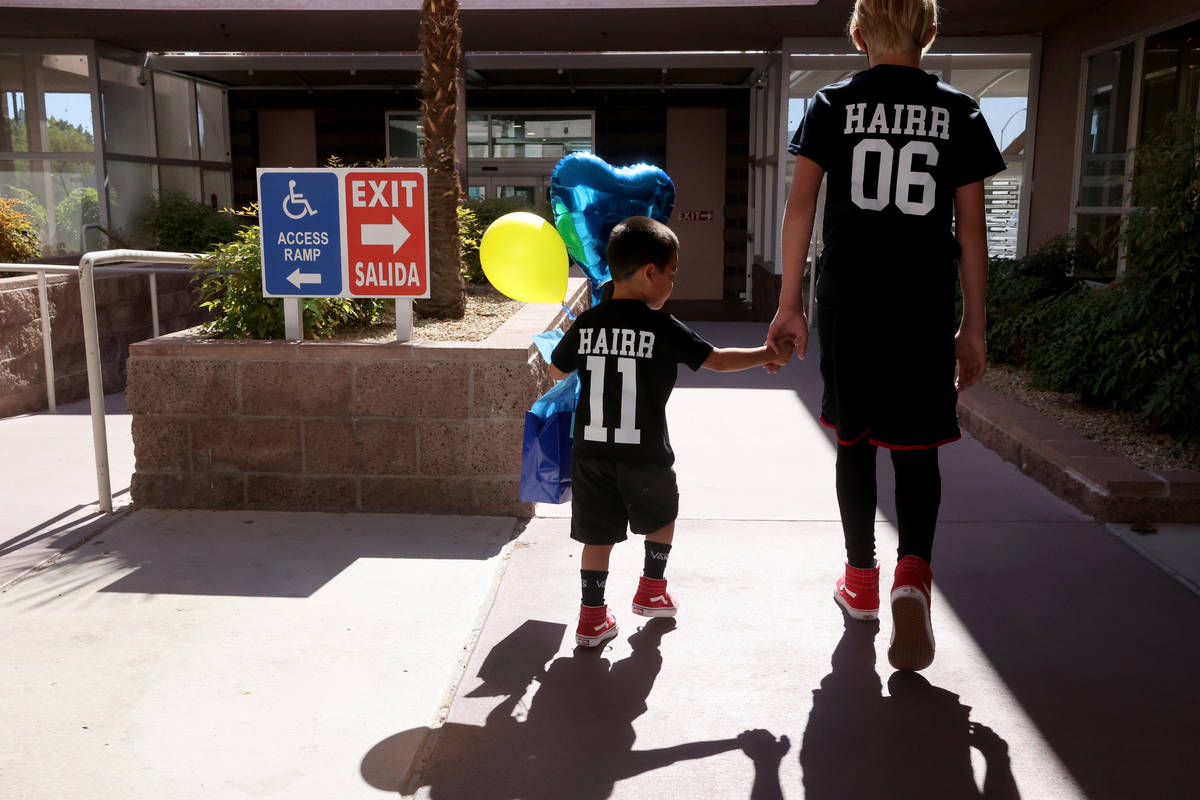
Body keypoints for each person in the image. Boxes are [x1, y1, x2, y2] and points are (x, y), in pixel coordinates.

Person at [767, 0, 1005, 671]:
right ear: (931, 32)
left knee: (854, 443)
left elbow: (800, 206)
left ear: (859, 32)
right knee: (917, 448)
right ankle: (912, 576)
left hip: (849, 303)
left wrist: (788, 303)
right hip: (922, 307)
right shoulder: (959, 112)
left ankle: (862, 583)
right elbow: (973, 232)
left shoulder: (831, 104)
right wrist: (973, 326)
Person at [550, 215, 793, 648]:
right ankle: (651, 589)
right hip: (644, 453)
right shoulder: (660, 326)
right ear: (649, 273)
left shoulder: (588, 323)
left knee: (596, 535)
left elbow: (556, 368)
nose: (673, 283)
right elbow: (715, 359)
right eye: (672, 273)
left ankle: (591, 618)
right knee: (661, 517)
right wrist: (766, 354)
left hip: (591, 453)